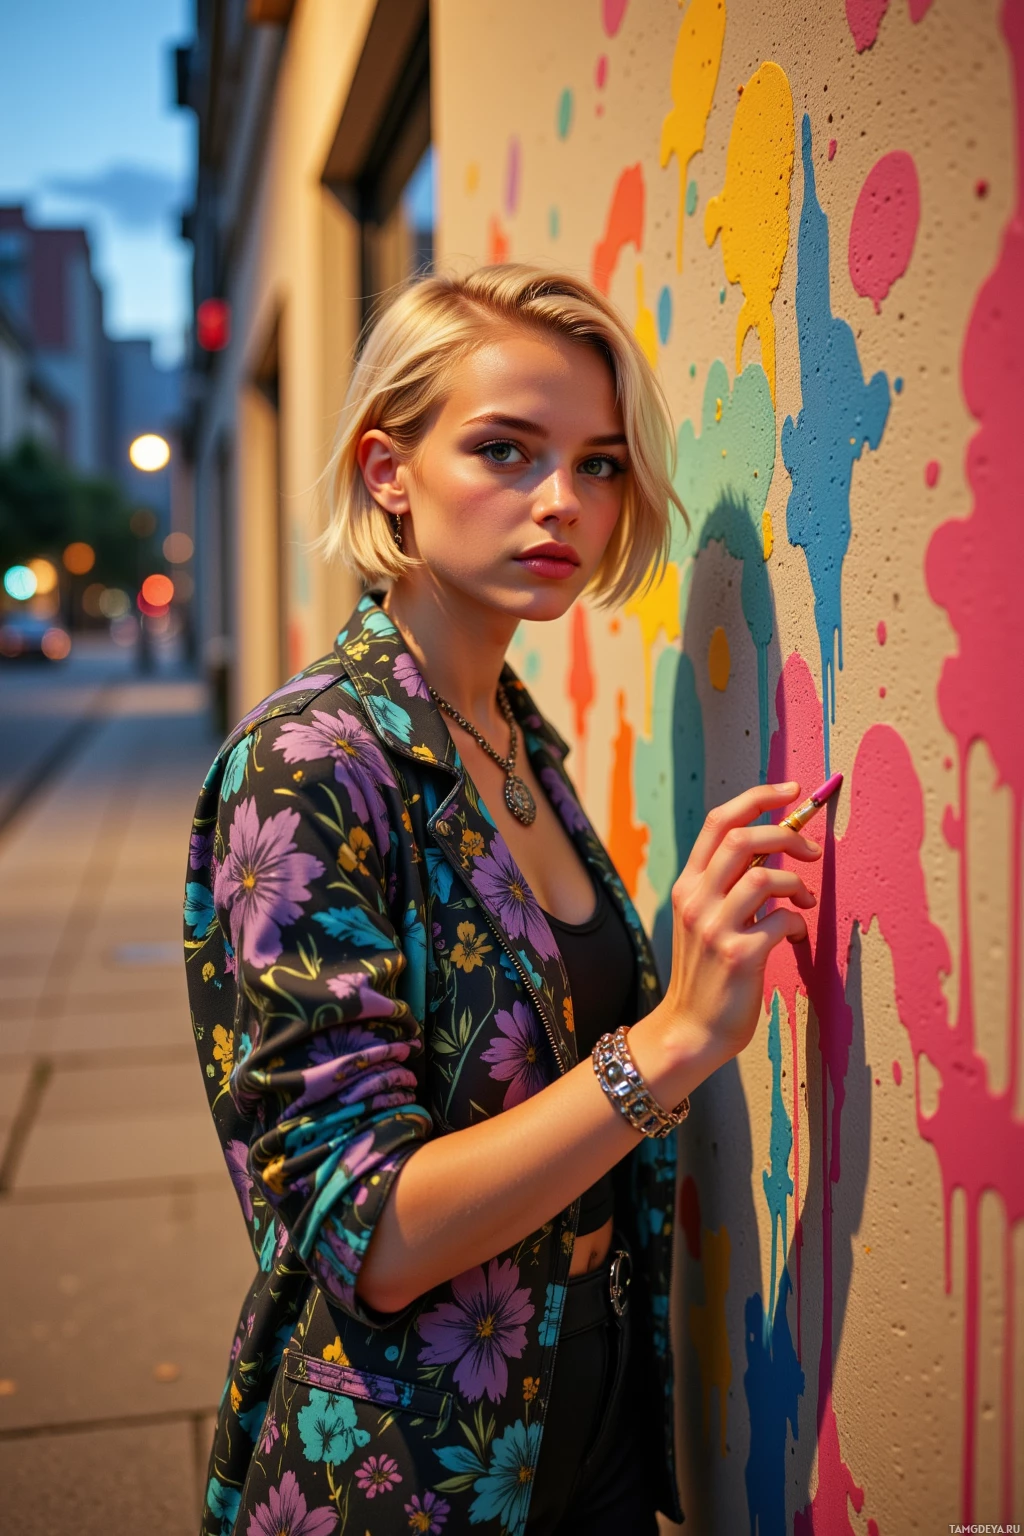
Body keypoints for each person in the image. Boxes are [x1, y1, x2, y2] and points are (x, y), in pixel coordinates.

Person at [184, 263, 819, 1536]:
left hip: (592, 1412)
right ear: (387, 473)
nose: (560, 503)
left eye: (594, 463)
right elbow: (372, 1230)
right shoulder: (313, 764)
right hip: (407, 1452)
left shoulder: (519, 742)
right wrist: (674, 1042)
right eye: (503, 449)